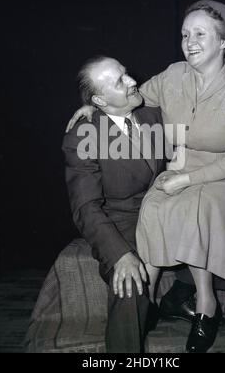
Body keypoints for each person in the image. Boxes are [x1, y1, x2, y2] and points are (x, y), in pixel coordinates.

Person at [69, 0, 225, 353]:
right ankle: (151, 301)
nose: (189, 41)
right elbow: (132, 96)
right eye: (184, 34)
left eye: (199, 34)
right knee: (156, 206)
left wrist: (187, 180)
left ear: (223, 41)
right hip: (183, 164)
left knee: (193, 205)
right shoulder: (174, 74)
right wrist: (91, 105)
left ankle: (207, 304)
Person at [62, 56, 168, 353]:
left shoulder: (152, 112)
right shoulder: (82, 135)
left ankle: (176, 300)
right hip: (121, 220)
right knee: (130, 285)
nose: (133, 81)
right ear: (99, 99)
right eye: (120, 81)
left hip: (163, 208)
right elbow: (85, 207)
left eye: (126, 73)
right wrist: (120, 255)